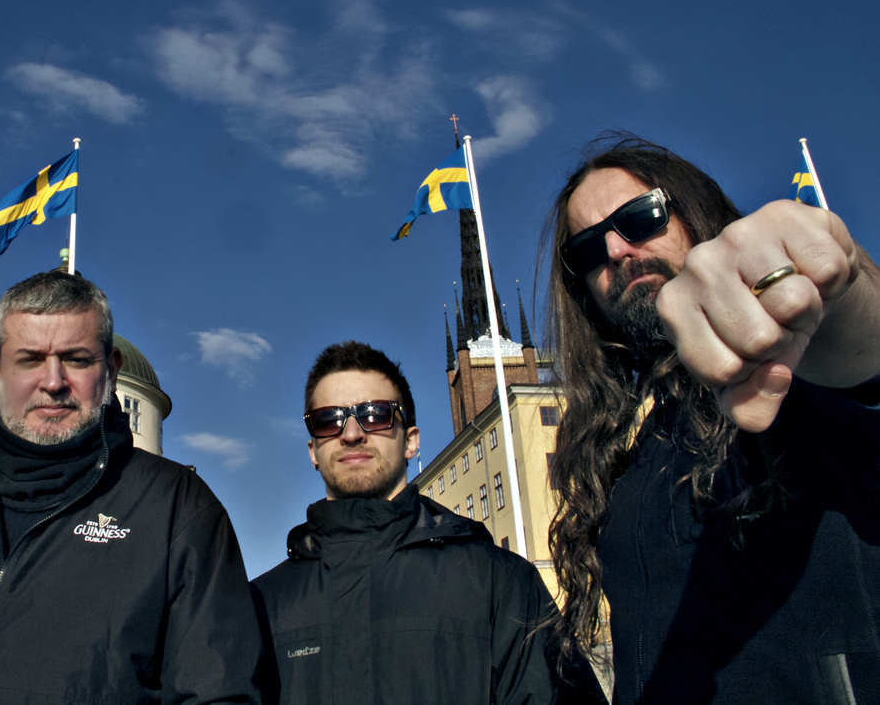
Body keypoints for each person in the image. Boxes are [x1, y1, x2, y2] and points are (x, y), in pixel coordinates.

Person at [544, 134, 880, 704]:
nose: (618, 251)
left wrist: (837, 297)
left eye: (640, 217)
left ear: (693, 211)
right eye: (589, 250)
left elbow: (862, 366)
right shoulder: (626, 465)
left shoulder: (792, 374)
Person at [0, 271, 262, 704]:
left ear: (112, 369)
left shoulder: (177, 510)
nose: (53, 382)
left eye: (77, 359)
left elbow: (219, 694)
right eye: (29, 359)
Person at [251, 341, 601, 705]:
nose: (351, 433)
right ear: (313, 451)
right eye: (329, 420)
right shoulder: (262, 604)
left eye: (375, 414)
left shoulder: (501, 584)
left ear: (411, 441)